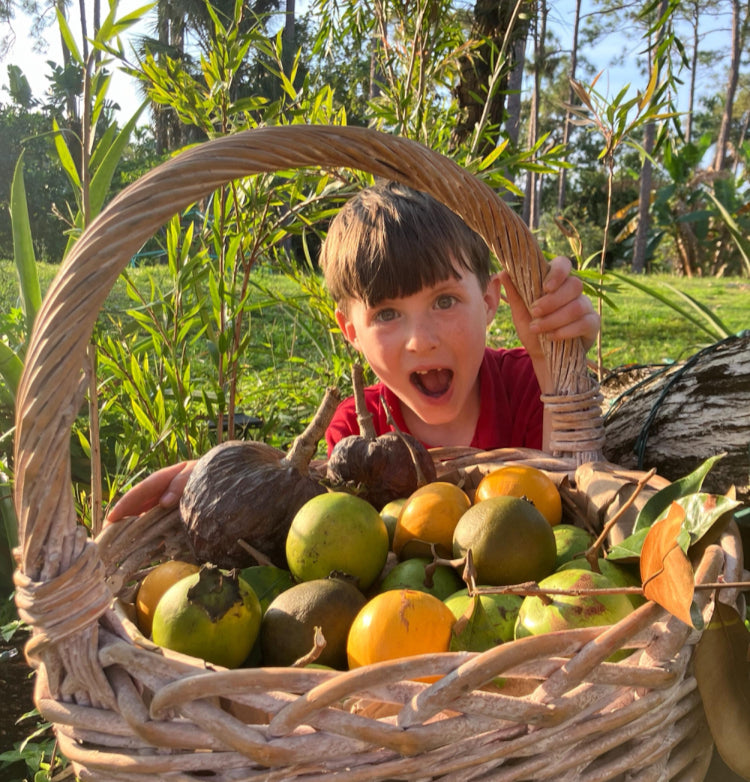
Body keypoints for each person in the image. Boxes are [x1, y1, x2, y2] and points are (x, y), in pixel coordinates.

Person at [106, 181, 598, 523]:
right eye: (387, 314)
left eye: (445, 301)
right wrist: (230, 483)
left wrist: (552, 357)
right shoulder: (354, 433)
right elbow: (334, 530)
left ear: (490, 301)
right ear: (351, 332)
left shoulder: (526, 384)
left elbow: (576, 504)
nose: (420, 340)